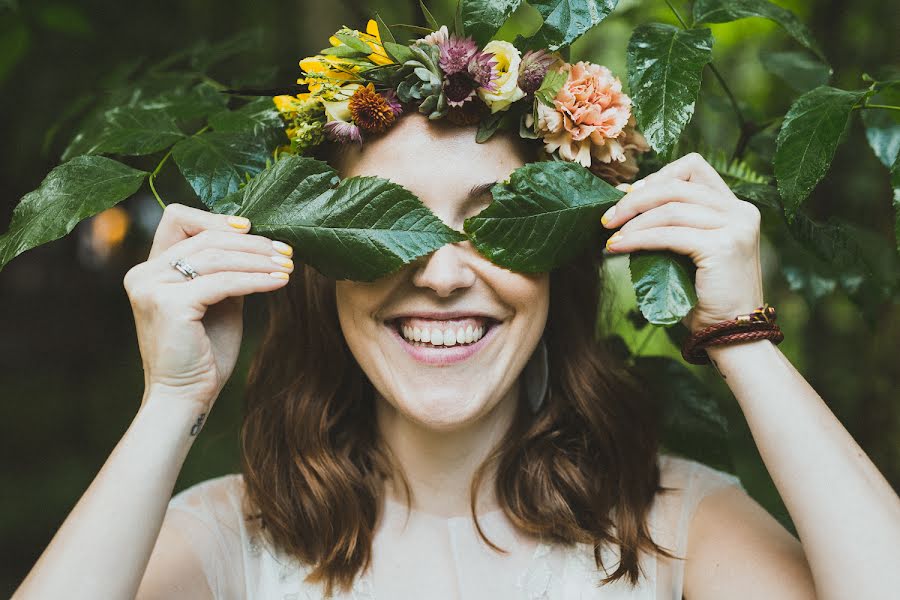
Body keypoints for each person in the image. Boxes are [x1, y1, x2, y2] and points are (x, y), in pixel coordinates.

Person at [13, 112, 900, 600]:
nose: (442, 273)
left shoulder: (676, 527)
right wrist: (172, 399)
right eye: (388, 223)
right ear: (323, 266)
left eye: (492, 222)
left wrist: (739, 337)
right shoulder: (224, 540)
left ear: (560, 257)